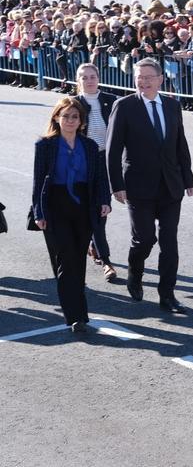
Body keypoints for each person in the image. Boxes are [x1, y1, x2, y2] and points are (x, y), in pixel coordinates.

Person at [106, 57, 193, 314]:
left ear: (160, 79)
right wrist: (116, 185)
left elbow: (180, 144)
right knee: (144, 239)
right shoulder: (123, 106)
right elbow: (113, 151)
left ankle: (167, 294)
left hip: (170, 185)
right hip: (138, 185)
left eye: (148, 77)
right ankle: (135, 271)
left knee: (170, 242)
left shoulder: (172, 105)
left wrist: (187, 178)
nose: (143, 81)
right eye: (139, 77)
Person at [32, 98, 112, 333]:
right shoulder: (45, 145)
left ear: (81, 121)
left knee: (78, 260)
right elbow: (38, 183)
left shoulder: (89, 146)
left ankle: (80, 313)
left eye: (74, 117)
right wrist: (39, 212)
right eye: (65, 116)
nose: (70, 120)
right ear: (56, 117)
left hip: (82, 206)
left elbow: (98, 178)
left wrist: (104, 201)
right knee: (66, 260)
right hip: (56, 207)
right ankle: (75, 317)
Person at [74, 63, 119, 282]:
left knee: (102, 208)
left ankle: (94, 244)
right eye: (85, 77)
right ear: (78, 80)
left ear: (98, 78)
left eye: (93, 76)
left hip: (107, 160)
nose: (89, 80)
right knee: (96, 212)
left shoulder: (112, 100)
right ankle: (106, 261)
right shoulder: (73, 104)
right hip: (84, 163)